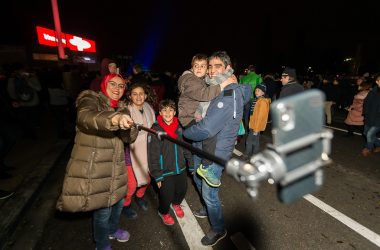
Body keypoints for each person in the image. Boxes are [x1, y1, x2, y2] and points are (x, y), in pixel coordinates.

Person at [56, 73, 138, 250]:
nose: (117, 89)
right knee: (102, 211)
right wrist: (114, 119)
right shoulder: (90, 99)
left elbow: (128, 138)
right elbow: (86, 117)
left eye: (121, 86)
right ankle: (102, 244)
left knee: (117, 205)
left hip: (117, 167)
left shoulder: (123, 108)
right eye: (113, 84)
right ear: (104, 84)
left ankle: (112, 229)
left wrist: (130, 127)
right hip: (96, 168)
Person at [183, 51, 252, 246]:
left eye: (217, 66)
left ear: (228, 68)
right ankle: (207, 209)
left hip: (215, 153)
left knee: (209, 193)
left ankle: (219, 228)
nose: (212, 71)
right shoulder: (213, 87)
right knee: (196, 176)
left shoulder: (229, 93)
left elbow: (206, 128)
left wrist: (185, 132)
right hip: (202, 146)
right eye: (210, 66)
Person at [177, 53, 234, 178]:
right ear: (191, 67)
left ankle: (195, 164)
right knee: (209, 134)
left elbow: (211, 82)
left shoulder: (200, 79)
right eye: (196, 66)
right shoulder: (191, 81)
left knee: (201, 141)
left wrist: (227, 74)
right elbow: (205, 94)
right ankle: (206, 166)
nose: (199, 68)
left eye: (203, 66)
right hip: (189, 117)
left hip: (192, 115)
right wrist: (223, 84)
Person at [148, 99, 188, 225]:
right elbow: (152, 154)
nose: (168, 113)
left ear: (175, 112)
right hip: (165, 171)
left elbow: (186, 147)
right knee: (166, 195)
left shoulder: (180, 128)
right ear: (160, 112)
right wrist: (157, 175)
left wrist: (191, 165)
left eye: (171, 110)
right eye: (164, 110)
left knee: (182, 190)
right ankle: (163, 212)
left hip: (180, 168)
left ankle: (176, 204)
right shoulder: (155, 130)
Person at [122, 83, 156, 218]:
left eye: (141, 93)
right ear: (130, 96)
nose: (138, 96)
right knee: (131, 184)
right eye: (134, 94)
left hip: (148, 150)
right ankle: (126, 204)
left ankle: (140, 196)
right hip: (130, 152)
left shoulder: (148, 108)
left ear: (146, 95)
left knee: (148, 179)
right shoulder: (126, 111)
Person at [243, 83, 271, 159]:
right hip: (253, 125)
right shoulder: (257, 100)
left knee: (249, 141)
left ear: (263, 93)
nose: (256, 91)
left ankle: (247, 154)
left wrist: (256, 129)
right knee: (255, 141)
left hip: (256, 126)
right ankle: (254, 154)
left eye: (258, 90)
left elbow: (260, 117)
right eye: (256, 90)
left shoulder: (262, 102)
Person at [240, 65, 263, 130]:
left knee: (246, 114)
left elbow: (240, 88)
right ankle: (252, 128)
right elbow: (261, 88)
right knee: (253, 114)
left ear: (249, 70)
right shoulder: (258, 78)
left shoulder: (243, 78)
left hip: (245, 99)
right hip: (255, 99)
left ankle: (246, 128)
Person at [362, 75, 380, 156]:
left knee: (369, 134)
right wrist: (365, 113)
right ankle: (379, 144)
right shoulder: (372, 91)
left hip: (378, 119)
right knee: (366, 133)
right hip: (369, 116)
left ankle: (368, 149)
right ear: (377, 82)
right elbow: (366, 102)